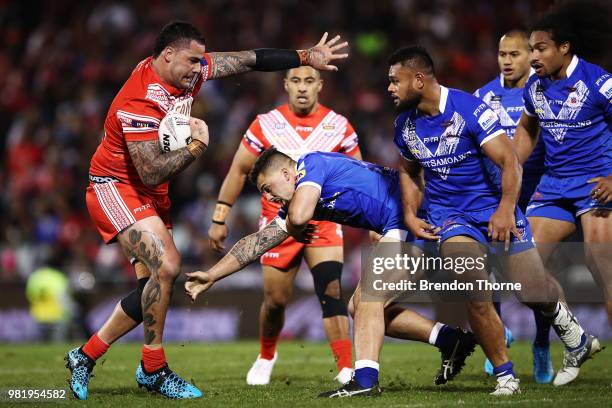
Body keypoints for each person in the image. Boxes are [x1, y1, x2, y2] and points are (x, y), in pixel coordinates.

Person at [65, 21, 349, 400]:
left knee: (151, 287)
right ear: (168, 55)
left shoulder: (187, 73)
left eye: (202, 61)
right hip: (115, 187)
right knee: (167, 266)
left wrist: (303, 56)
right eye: (193, 61)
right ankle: (146, 367)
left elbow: (248, 60)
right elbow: (149, 171)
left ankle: (103, 359)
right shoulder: (140, 99)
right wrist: (197, 147)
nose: (200, 69)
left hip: (151, 195)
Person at [388, 46, 600, 395]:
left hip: (495, 210)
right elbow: (409, 171)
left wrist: (504, 209)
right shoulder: (404, 126)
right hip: (450, 217)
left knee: (532, 292)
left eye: (395, 81)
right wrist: (411, 213)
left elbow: (511, 162)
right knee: (473, 287)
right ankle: (506, 375)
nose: (390, 88)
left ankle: (573, 333)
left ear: (419, 79)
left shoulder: (469, 108)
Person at [187, 149, 479, 395]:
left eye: (268, 189)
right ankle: (450, 339)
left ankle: (364, 381)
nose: (270, 198)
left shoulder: (310, 165)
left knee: (368, 300)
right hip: (400, 223)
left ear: (289, 175)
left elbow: (300, 216)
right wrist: (212, 275)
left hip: (415, 217)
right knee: (361, 309)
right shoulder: (299, 198)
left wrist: (297, 226)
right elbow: (256, 243)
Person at [208, 66, 360, 385]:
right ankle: (266, 355)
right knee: (275, 301)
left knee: (330, 292)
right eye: (295, 81)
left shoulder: (339, 127)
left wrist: (368, 219)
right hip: (279, 226)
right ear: (285, 85)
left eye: (308, 81)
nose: (302, 88)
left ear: (320, 85)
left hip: (324, 221)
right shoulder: (266, 124)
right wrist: (220, 217)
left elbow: (357, 175)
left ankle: (346, 367)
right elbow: (238, 171)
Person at [513, 2, 612, 386]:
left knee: (602, 267)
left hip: (595, 185)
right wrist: (510, 168)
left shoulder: (599, 82)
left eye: (540, 48)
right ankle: (577, 339)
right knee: (523, 274)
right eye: (531, 49)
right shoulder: (534, 88)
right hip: (553, 186)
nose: (533, 56)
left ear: (564, 48)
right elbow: (526, 130)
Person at [474, 29, 552, 383]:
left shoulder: (543, 92)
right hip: (496, 197)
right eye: (502, 54)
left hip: (537, 194)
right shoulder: (482, 96)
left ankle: (541, 343)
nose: (506, 61)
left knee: (536, 277)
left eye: (514, 54)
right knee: (485, 267)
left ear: (530, 56)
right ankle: (498, 334)